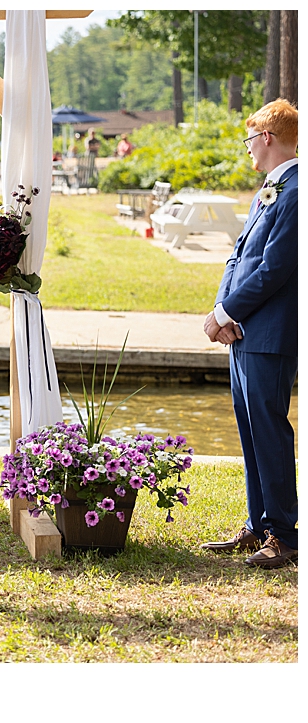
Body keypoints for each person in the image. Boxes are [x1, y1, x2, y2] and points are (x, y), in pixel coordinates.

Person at [200, 99, 298, 568]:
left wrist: (226, 309)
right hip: (244, 330)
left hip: (271, 332)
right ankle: (258, 524)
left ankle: (283, 534)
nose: (247, 150)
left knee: (270, 430)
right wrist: (223, 311)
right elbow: (239, 257)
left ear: (268, 138)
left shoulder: (298, 192)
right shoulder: (272, 187)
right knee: (249, 429)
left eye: (249, 140)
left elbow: (276, 268)